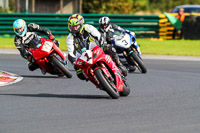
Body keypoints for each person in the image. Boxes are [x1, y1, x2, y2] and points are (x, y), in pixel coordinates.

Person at [66, 14, 127, 80]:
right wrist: (75, 64)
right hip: (84, 56)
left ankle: (120, 65)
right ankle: (98, 81)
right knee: (80, 75)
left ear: (81, 24)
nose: (74, 28)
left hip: (96, 48)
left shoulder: (88, 27)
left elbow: (99, 36)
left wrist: (102, 44)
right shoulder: (69, 38)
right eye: (71, 26)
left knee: (109, 48)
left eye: (76, 26)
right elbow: (71, 53)